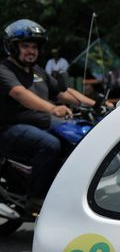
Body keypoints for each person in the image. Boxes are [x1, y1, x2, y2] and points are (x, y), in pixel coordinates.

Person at [0, 19, 106, 213]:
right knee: (49, 144)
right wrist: (52, 108)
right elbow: (19, 93)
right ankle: (37, 197)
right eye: (25, 46)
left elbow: (62, 91)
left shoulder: (37, 71)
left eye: (34, 46)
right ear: (12, 47)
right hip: (10, 128)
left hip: (42, 124)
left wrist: (98, 105)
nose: (31, 51)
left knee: (78, 138)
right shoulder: (4, 70)